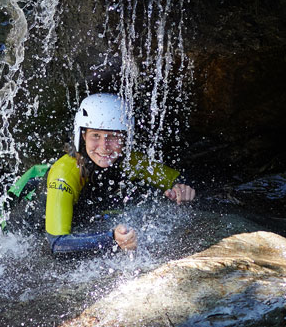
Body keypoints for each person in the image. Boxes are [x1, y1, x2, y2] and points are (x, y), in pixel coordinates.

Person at [45, 93, 195, 254]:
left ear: (125, 138)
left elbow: (175, 178)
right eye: (95, 135)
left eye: (113, 136)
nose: (104, 147)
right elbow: (57, 245)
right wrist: (111, 239)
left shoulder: (128, 160)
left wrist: (182, 188)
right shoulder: (64, 173)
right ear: (83, 136)